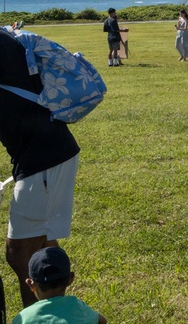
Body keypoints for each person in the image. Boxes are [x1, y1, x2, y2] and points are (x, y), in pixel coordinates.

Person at [0, 30, 81, 309]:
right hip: (49, 152)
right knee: (42, 243)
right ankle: (63, 311)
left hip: (42, 157)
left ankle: (38, 317)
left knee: (20, 253)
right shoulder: (6, 40)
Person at [12, 247, 107, 324]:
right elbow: (102, 321)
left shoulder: (24, 317)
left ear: (30, 284)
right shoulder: (78, 308)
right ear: (71, 279)